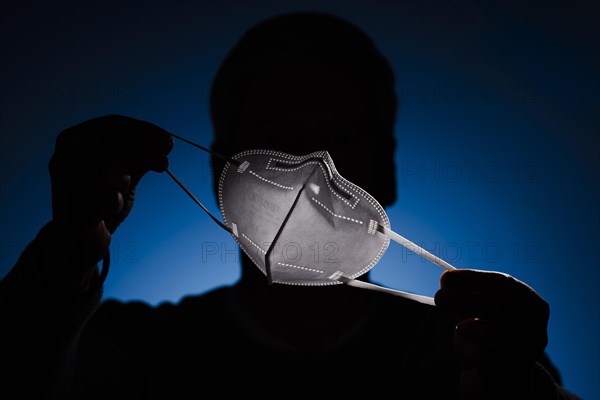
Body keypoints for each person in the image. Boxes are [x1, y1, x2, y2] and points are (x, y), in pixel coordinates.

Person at [0, 12, 580, 400]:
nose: (312, 172)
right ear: (220, 169)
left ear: (387, 167)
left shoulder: (476, 358)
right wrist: (62, 267)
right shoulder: (137, 352)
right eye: (276, 138)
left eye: (342, 136)